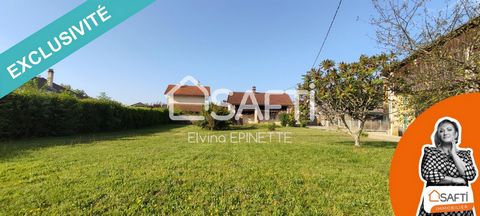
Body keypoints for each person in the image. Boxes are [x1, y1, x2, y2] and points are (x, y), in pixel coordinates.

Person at [417, 118, 477, 216]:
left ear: (456, 134)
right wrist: (454, 180)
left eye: (449, 130)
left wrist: (454, 154)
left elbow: (470, 175)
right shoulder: (431, 152)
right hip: (435, 206)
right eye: (441, 131)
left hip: (460, 209)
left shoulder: (465, 154)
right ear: (439, 135)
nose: (445, 132)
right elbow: (429, 174)